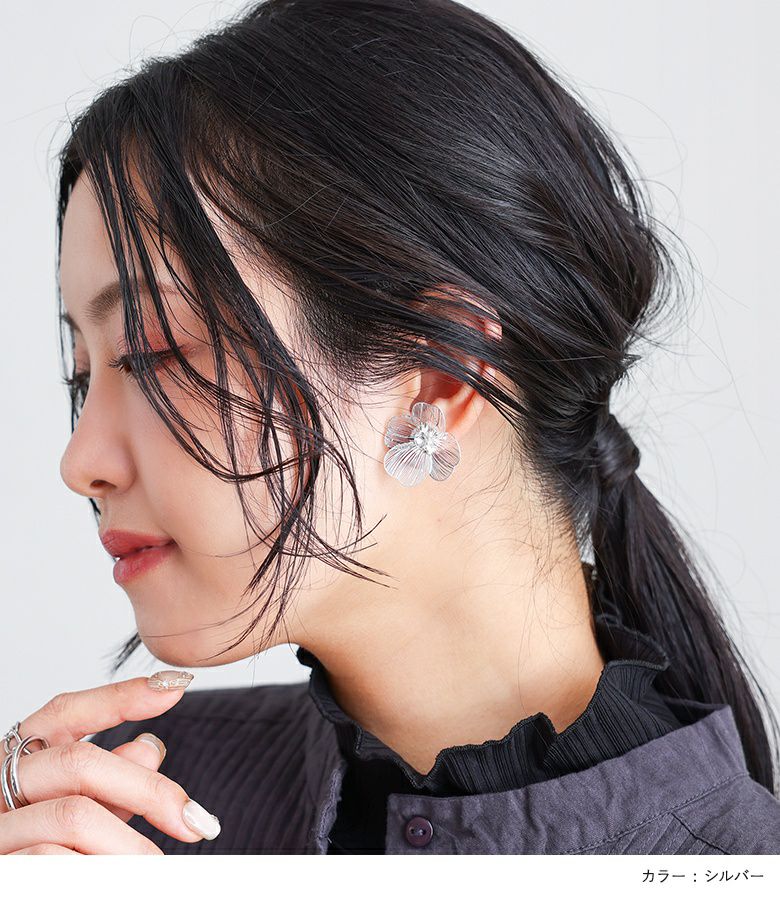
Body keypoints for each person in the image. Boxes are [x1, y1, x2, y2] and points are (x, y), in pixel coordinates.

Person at [2, 0, 779, 855]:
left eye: (153, 354)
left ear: (443, 370)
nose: (80, 462)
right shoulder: (113, 812)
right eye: (83, 377)